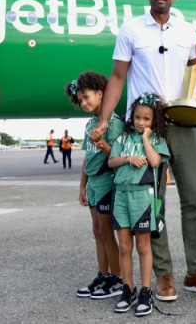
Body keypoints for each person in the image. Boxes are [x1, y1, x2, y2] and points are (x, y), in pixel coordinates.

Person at [91, 0, 196, 302]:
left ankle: (195, 270)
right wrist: (106, 120)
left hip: (182, 122)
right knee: (155, 204)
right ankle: (164, 274)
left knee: (193, 199)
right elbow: (118, 76)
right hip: (146, 127)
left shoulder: (186, 31)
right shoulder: (131, 30)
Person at [109, 93, 171, 316]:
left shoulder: (156, 141)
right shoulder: (123, 139)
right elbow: (111, 161)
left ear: (153, 121)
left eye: (146, 119)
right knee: (125, 246)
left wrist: (145, 139)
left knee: (143, 247)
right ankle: (128, 289)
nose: (141, 122)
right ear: (132, 117)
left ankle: (146, 292)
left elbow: (155, 161)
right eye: (137, 118)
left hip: (142, 197)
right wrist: (128, 159)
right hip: (122, 196)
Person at [66, 72, 124, 301]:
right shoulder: (91, 123)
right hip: (93, 184)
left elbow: (118, 156)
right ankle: (103, 275)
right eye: (80, 100)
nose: (84, 103)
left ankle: (117, 280)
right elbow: (86, 159)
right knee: (98, 231)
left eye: (87, 97)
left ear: (101, 94)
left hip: (107, 183)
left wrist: (101, 143)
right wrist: (82, 186)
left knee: (107, 233)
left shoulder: (113, 123)